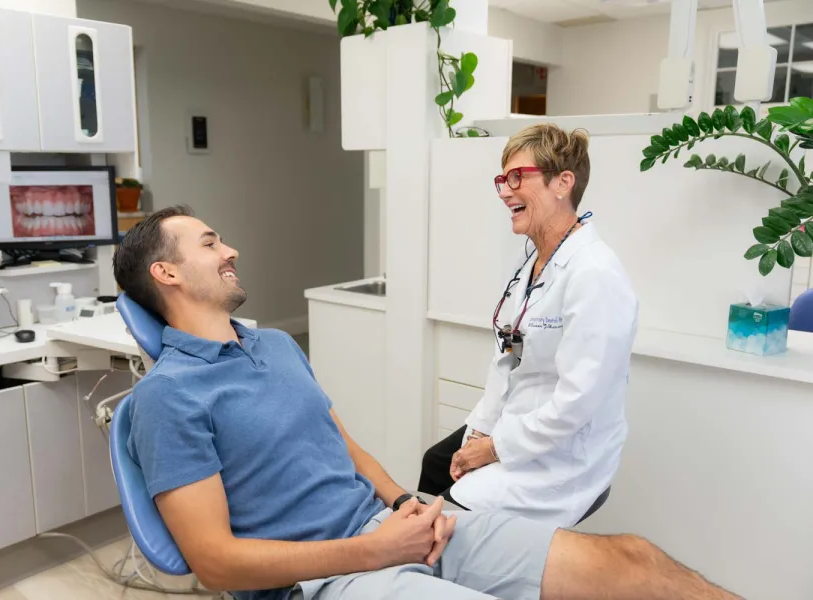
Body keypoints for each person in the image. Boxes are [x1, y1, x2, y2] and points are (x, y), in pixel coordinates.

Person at [112, 206, 737, 600]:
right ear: (167, 274)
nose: (230, 251)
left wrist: (405, 504)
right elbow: (214, 563)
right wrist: (374, 551)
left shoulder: (275, 346)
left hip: (394, 530)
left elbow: (343, 445)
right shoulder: (166, 398)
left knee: (636, 562)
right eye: (209, 243)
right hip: (324, 578)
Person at [418, 124, 639, 527]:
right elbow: (506, 360)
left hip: (565, 453)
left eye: (517, 177)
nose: (504, 191)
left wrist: (493, 448)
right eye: (502, 179)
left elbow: (576, 404)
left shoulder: (595, 275)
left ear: (563, 183)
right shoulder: (534, 265)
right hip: (521, 419)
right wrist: (478, 433)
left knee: (451, 509)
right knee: (435, 463)